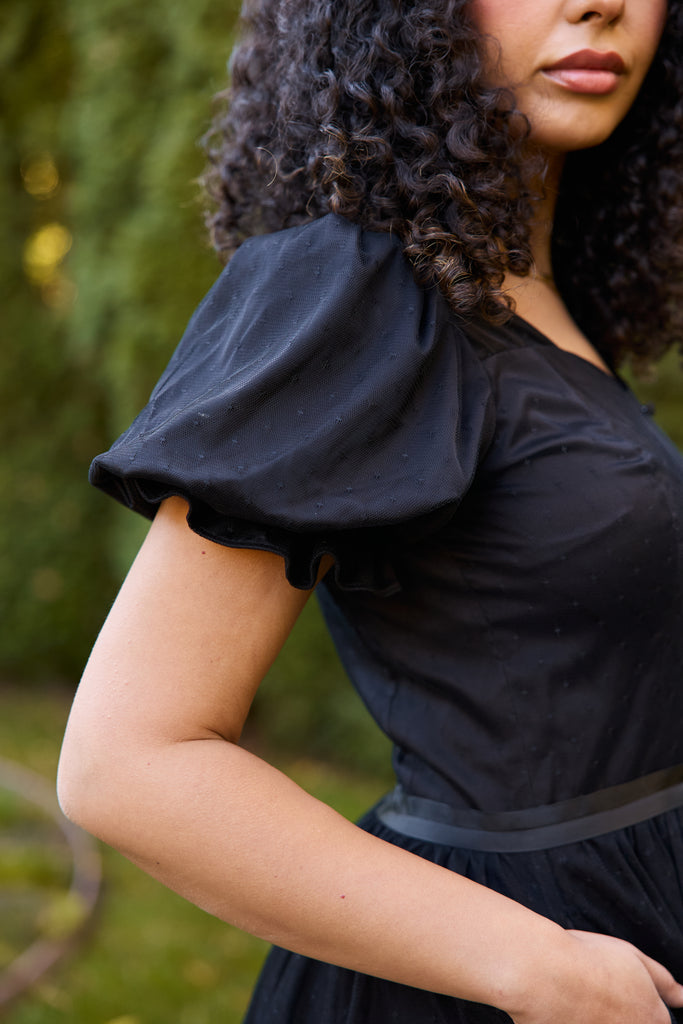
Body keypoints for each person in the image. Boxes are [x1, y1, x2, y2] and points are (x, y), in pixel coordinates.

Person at [57, 0, 683, 1021]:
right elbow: (127, 760)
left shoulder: (529, 294)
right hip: (494, 982)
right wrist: (542, 969)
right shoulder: (357, 289)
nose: (597, 3)